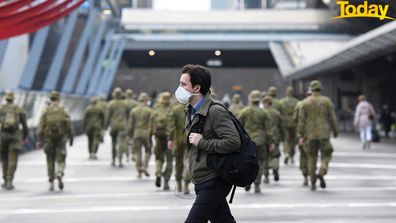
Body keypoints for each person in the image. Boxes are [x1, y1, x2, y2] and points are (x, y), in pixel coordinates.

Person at [175, 64, 240, 223]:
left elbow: (233, 141)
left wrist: (202, 142)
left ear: (196, 87)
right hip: (201, 178)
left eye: (183, 84)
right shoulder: (190, 110)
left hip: (214, 179)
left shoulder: (215, 111)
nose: (179, 88)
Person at [297, 81, 338, 191]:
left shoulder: (305, 103)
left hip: (309, 135)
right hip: (324, 134)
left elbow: (301, 121)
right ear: (320, 89)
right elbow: (332, 118)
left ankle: (313, 182)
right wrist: (335, 130)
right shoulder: (327, 101)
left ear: (311, 89)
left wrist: (300, 135)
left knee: (311, 157)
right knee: (327, 153)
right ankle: (322, 170)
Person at [37, 91, 74, 191]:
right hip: (61, 139)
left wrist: (40, 139)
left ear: (51, 99)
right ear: (58, 99)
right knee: (61, 158)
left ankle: (51, 181)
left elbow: (41, 126)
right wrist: (71, 137)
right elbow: (69, 125)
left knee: (50, 159)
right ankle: (59, 173)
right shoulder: (63, 111)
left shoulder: (46, 111)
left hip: (49, 139)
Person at [238, 90, 273, 193]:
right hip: (261, 141)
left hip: (248, 142)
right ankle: (257, 184)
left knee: (247, 162)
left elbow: (238, 127)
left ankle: (247, 181)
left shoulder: (244, 111)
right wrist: (271, 142)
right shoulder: (264, 112)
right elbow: (269, 130)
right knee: (260, 163)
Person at [0, 92, 28, 190]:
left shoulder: (2, 109)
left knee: (4, 158)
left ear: (6, 99)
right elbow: (24, 125)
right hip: (15, 137)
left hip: (3, 136)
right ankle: (9, 180)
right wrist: (24, 136)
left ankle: (4, 179)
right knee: (13, 159)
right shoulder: (18, 109)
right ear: (13, 99)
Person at [152, 92, 173, 191]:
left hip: (159, 137)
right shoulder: (173, 109)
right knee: (169, 160)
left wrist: (150, 138)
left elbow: (151, 124)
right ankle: (166, 182)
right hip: (170, 138)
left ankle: (158, 172)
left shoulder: (156, 109)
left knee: (159, 158)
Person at [128, 93, 153, 178]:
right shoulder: (149, 111)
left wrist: (129, 135)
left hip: (137, 132)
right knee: (148, 151)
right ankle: (145, 166)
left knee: (137, 152)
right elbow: (152, 124)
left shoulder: (134, 111)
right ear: (146, 101)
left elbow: (130, 125)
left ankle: (139, 170)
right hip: (146, 133)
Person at [169, 101, 191, 194]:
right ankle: (186, 183)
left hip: (177, 139)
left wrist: (170, 139)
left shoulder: (175, 110)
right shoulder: (193, 108)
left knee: (178, 162)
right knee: (189, 161)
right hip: (190, 138)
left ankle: (179, 183)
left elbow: (171, 127)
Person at [106, 88, 129, 167]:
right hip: (122, 125)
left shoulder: (111, 104)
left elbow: (108, 116)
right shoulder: (125, 104)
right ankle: (120, 160)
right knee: (121, 143)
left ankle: (113, 159)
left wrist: (105, 126)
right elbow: (128, 115)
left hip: (114, 125)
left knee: (113, 142)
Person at [263, 96, 283, 184]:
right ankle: (275, 167)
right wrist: (282, 136)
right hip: (276, 136)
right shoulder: (277, 113)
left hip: (265, 137)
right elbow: (281, 126)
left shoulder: (263, 112)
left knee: (265, 156)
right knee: (275, 155)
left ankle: (266, 176)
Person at [279, 87, 299, 165]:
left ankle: (286, 153)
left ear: (286, 93)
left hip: (284, 123)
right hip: (294, 123)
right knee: (293, 140)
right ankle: (292, 156)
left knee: (285, 140)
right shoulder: (297, 102)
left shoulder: (281, 102)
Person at [124, 89, 138, 161]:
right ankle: (133, 153)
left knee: (126, 138)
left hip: (126, 122)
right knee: (133, 139)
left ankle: (127, 154)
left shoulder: (123, 103)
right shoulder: (135, 103)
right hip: (134, 123)